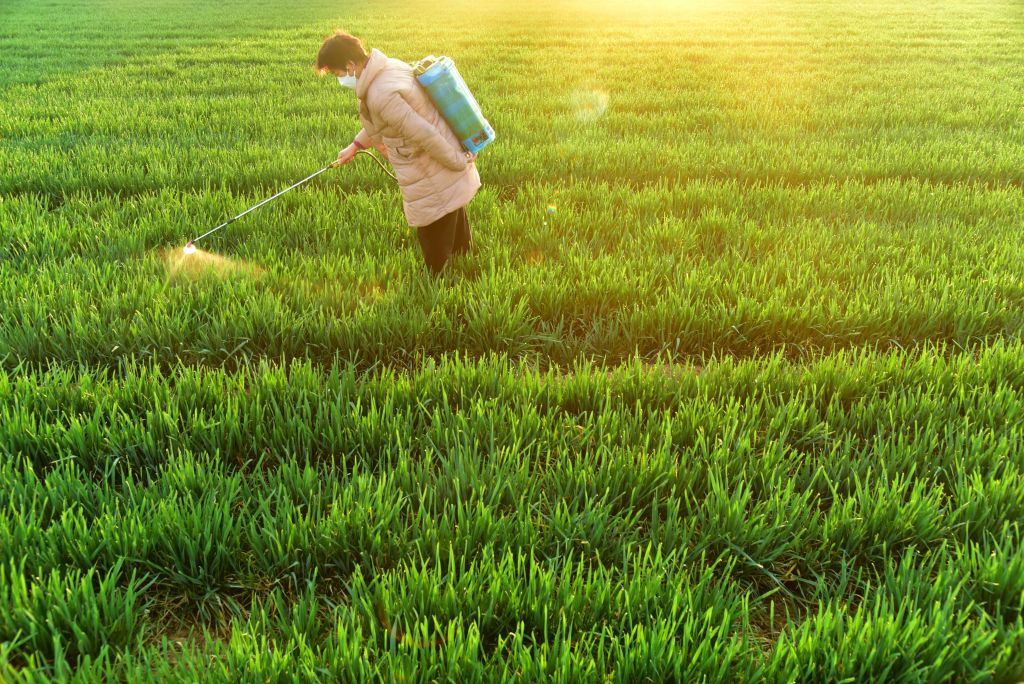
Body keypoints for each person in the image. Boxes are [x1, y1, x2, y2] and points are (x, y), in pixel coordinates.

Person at [316, 31, 481, 276]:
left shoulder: (380, 94)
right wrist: (355, 146)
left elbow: (424, 134)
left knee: (432, 223)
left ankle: (436, 284)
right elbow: (386, 123)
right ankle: (466, 262)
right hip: (438, 158)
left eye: (338, 74)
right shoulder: (388, 68)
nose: (340, 79)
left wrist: (459, 160)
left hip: (429, 164)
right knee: (451, 205)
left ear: (350, 65)